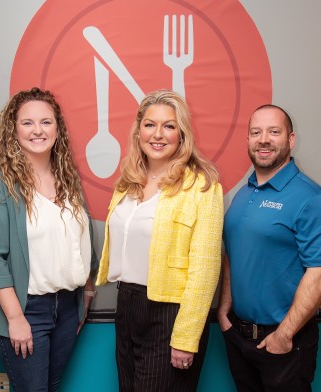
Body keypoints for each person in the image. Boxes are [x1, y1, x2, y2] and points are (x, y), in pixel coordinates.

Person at [0, 87, 98, 392]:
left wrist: (88, 294)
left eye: (46, 122)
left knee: (51, 388)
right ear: (13, 130)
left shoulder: (68, 178)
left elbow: (83, 239)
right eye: (27, 123)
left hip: (68, 306)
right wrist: (15, 318)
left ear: (57, 129)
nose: (37, 130)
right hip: (26, 309)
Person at [96, 89, 224, 391]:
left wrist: (186, 337)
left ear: (182, 134)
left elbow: (205, 270)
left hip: (171, 313)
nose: (158, 134)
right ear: (138, 130)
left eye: (169, 126)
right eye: (150, 124)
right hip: (127, 303)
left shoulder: (202, 187)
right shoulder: (127, 183)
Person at [218, 104, 321, 392]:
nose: (263, 140)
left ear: (290, 139)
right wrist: (223, 311)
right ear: (247, 139)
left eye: (274, 132)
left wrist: (284, 335)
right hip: (239, 335)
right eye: (256, 132)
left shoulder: (312, 198)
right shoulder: (243, 194)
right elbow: (233, 252)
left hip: (285, 343)